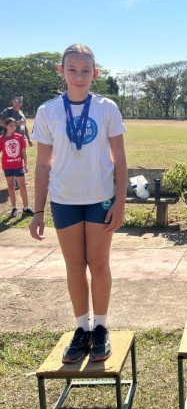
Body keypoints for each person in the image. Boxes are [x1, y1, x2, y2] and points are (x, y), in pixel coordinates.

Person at [29, 43, 127, 364]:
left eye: (86, 70)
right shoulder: (47, 111)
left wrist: (120, 202)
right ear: (62, 71)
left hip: (100, 199)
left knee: (98, 264)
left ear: (95, 73)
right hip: (64, 200)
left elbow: (119, 158)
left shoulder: (106, 107)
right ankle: (81, 328)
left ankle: (100, 327)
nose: (79, 76)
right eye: (72, 70)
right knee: (74, 266)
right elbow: (42, 164)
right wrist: (38, 211)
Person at [0, 117, 34, 218]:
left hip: (18, 165)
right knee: (11, 187)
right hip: (7, 166)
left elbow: (24, 152)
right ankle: (14, 208)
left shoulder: (19, 137)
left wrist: (26, 165)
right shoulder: (1, 139)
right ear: (6, 126)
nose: (13, 127)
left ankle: (26, 208)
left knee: (22, 186)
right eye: (11, 125)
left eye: (15, 125)